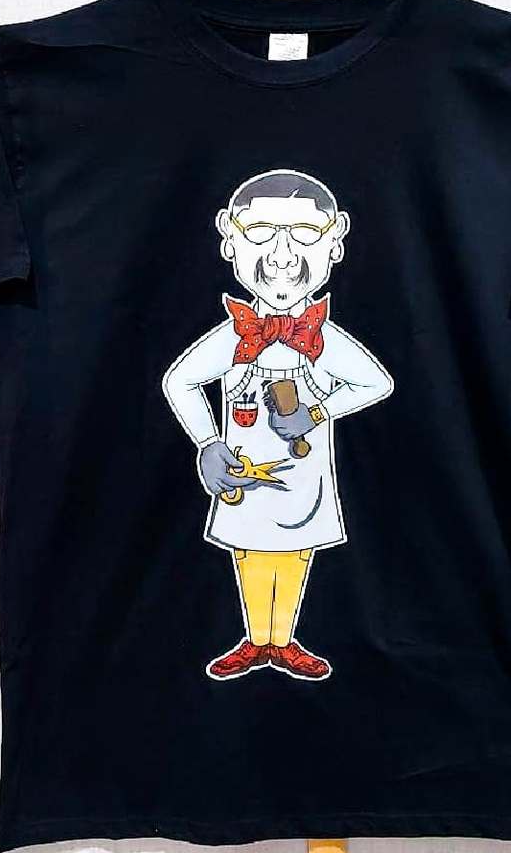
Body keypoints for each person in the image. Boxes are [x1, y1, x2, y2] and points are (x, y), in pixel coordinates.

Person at [162, 169, 393, 680]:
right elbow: (179, 381)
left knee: (295, 554)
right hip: (244, 469)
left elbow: (376, 382)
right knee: (248, 550)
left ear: (336, 241)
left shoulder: (321, 338)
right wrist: (208, 443)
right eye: (261, 232)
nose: (283, 256)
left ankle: (283, 641)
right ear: (228, 238)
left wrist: (315, 412)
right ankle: (256, 640)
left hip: (303, 473)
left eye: (305, 233)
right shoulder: (234, 337)